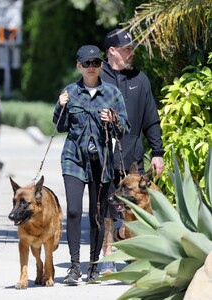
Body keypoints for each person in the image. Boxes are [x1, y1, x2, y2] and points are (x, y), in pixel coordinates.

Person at [53, 45, 130, 285]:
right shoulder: (71, 91)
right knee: (75, 211)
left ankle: (93, 267)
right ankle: (75, 267)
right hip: (73, 159)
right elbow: (59, 125)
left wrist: (114, 119)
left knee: (97, 215)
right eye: (86, 63)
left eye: (95, 63)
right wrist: (60, 105)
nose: (91, 67)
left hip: (102, 162)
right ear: (79, 66)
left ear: (101, 65)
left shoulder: (112, 93)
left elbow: (125, 128)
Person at [99, 28, 165, 275]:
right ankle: (107, 255)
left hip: (132, 157)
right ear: (112, 51)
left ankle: (134, 253)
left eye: (132, 49)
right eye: (127, 49)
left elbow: (151, 118)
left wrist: (157, 152)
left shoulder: (140, 79)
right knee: (107, 206)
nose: (131, 54)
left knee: (133, 207)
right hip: (103, 157)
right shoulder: (99, 78)